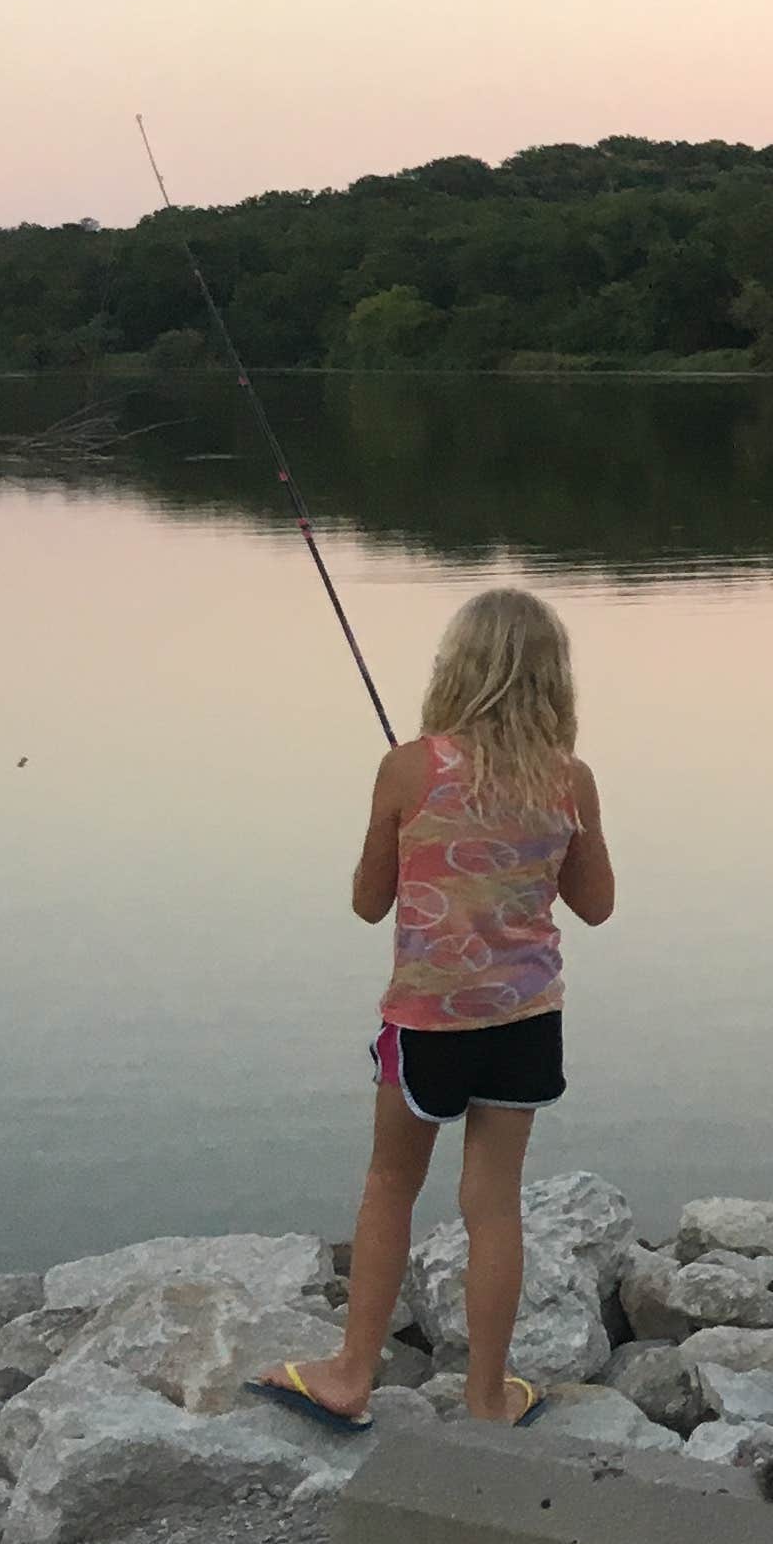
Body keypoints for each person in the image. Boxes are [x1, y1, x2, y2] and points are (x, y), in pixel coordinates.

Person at [248, 586, 616, 1433]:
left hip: (428, 1026)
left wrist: (417, 831)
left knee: (390, 1185)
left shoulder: (408, 767)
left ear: (457, 670)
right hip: (526, 1022)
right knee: (494, 1203)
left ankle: (349, 1376)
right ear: (553, 683)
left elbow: (368, 902)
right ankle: (487, 1399)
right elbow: (595, 905)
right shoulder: (571, 781)